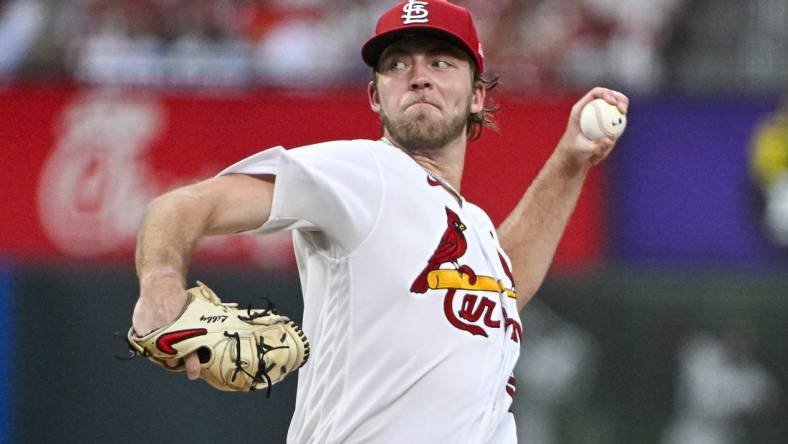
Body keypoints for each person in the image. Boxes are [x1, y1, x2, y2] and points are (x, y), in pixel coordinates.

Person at [131, 0, 628, 442]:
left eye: (440, 61)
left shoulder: (471, 225)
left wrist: (570, 161)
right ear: (375, 96)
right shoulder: (363, 173)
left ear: (478, 94)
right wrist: (159, 283)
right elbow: (186, 205)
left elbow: (504, 284)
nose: (418, 75)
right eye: (397, 64)